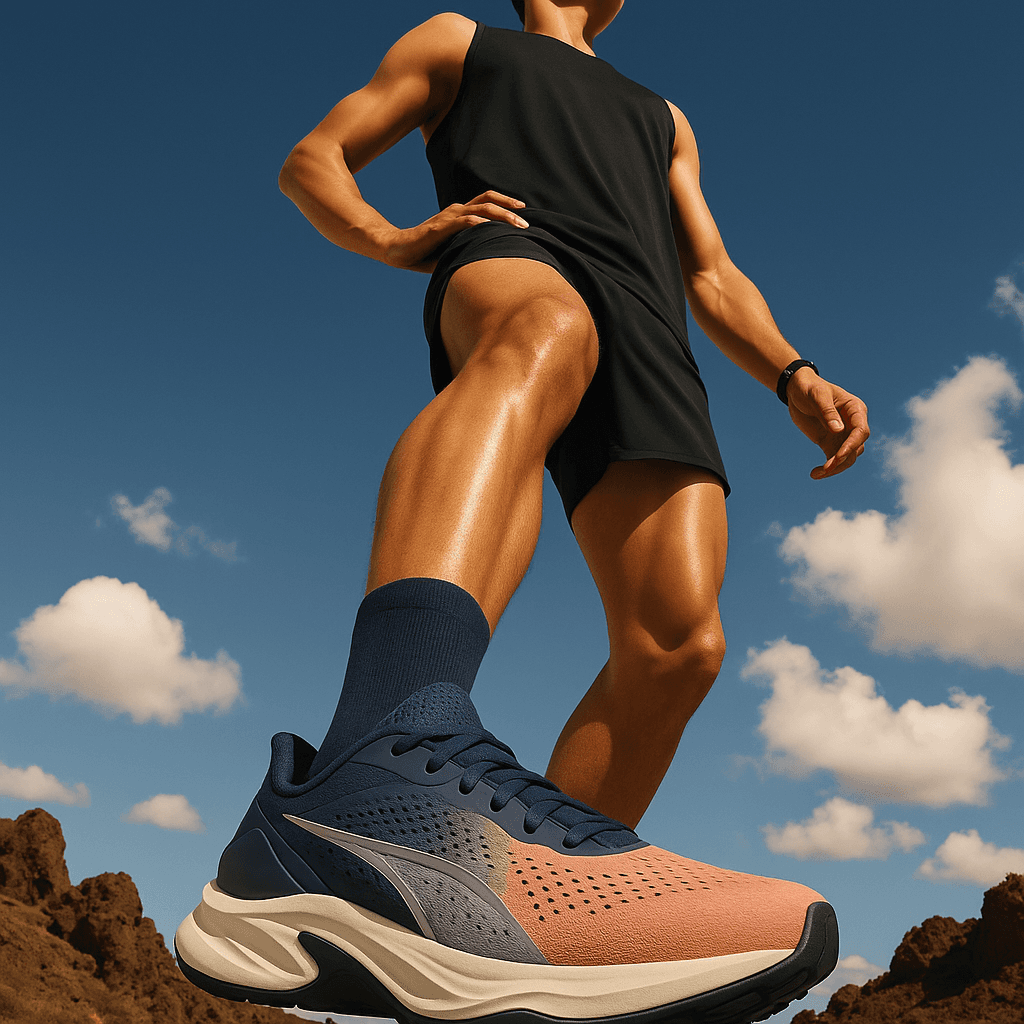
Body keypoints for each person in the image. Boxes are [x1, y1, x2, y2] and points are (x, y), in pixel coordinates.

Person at [176, 3, 867, 1022]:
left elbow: (710, 272)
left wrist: (793, 374)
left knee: (678, 641)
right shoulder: (458, 41)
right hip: (520, 258)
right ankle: (378, 752)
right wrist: (390, 238)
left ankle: (514, 914)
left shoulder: (662, 113)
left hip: (648, 329)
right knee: (542, 329)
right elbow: (313, 158)